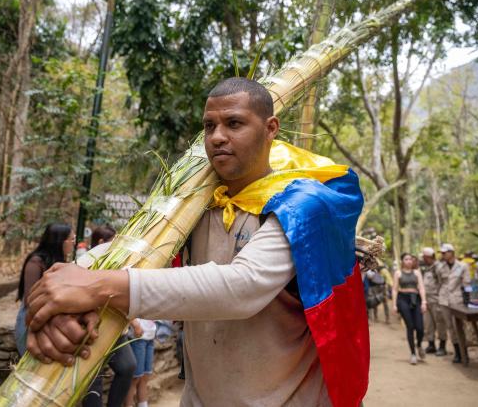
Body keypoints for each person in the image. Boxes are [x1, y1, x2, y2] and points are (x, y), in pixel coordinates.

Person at [22, 77, 368, 406]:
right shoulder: (195, 200)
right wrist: (67, 285)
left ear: (271, 129)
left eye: (234, 124)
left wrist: (96, 286)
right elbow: (134, 246)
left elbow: (242, 286)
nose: (217, 136)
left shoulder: (306, 204)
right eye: (209, 126)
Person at [83, 225, 137, 407]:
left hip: (117, 329)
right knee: (93, 377)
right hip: (93, 328)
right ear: (100, 243)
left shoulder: (120, 261)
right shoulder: (86, 261)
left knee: (128, 365)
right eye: (112, 241)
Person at [14, 223, 75, 356]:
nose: (73, 243)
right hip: (33, 320)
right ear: (60, 242)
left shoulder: (61, 261)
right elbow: (30, 299)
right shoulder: (36, 262)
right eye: (71, 239)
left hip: (53, 319)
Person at [436, 242, 471, 363]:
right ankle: (457, 352)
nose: (443, 255)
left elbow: (467, 284)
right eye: (442, 253)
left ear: (452, 253)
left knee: (459, 327)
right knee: (450, 327)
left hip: (458, 300)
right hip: (444, 300)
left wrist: (468, 301)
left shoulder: (463, 266)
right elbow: (440, 282)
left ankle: (464, 352)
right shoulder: (440, 267)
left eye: (445, 253)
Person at [393, 252, 427, 365]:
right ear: (402, 261)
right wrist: (394, 304)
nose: (409, 261)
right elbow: (394, 289)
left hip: (415, 299)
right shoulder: (398, 273)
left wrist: (424, 302)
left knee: (420, 327)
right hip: (403, 299)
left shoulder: (417, 273)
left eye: (410, 259)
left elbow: (421, 288)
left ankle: (419, 345)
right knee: (410, 326)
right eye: (406, 259)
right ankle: (413, 353)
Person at [420, 247, 447, 355]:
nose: (423, 259)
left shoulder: (438, 267)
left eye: (424, 257)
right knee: (428, 324)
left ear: (428, 257)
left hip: (436, 300)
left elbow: (443, 283)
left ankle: (442, 346)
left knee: (440, 323)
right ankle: (431, 345)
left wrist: (441, 297)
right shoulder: (427, 268)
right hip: (427, 300)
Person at [124, 318, 157, 407]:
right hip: (137, 337)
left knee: (145, 377)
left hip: (150, 337)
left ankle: (143, 404)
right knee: (135, 378)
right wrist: (135, 324)